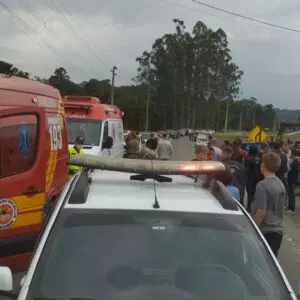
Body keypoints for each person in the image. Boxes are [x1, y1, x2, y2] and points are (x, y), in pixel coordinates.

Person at [251, 152, 287, 257]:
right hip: (278, 229)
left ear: (263, 166)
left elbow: (261, 212)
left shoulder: (262, 185)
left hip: (265, 230)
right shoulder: (280, 183)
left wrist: (253, 228)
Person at [245, 145, 264, 212]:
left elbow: (247, 170)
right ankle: (257, 207)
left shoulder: (248, 159)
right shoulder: (260, 158)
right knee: (257, 193)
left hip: (250, 179)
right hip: (259, 178)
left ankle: (249, 207)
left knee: (250, 193)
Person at [286, 148, 300, 214]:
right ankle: (289, 207)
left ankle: (292, 208)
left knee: (291, 194)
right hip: (294, 179)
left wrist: (288, 164)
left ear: (293, 154)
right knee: (291, 194)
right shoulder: (297, 160)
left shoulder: (295, 162)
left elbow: (288, 170)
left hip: (292, 179)